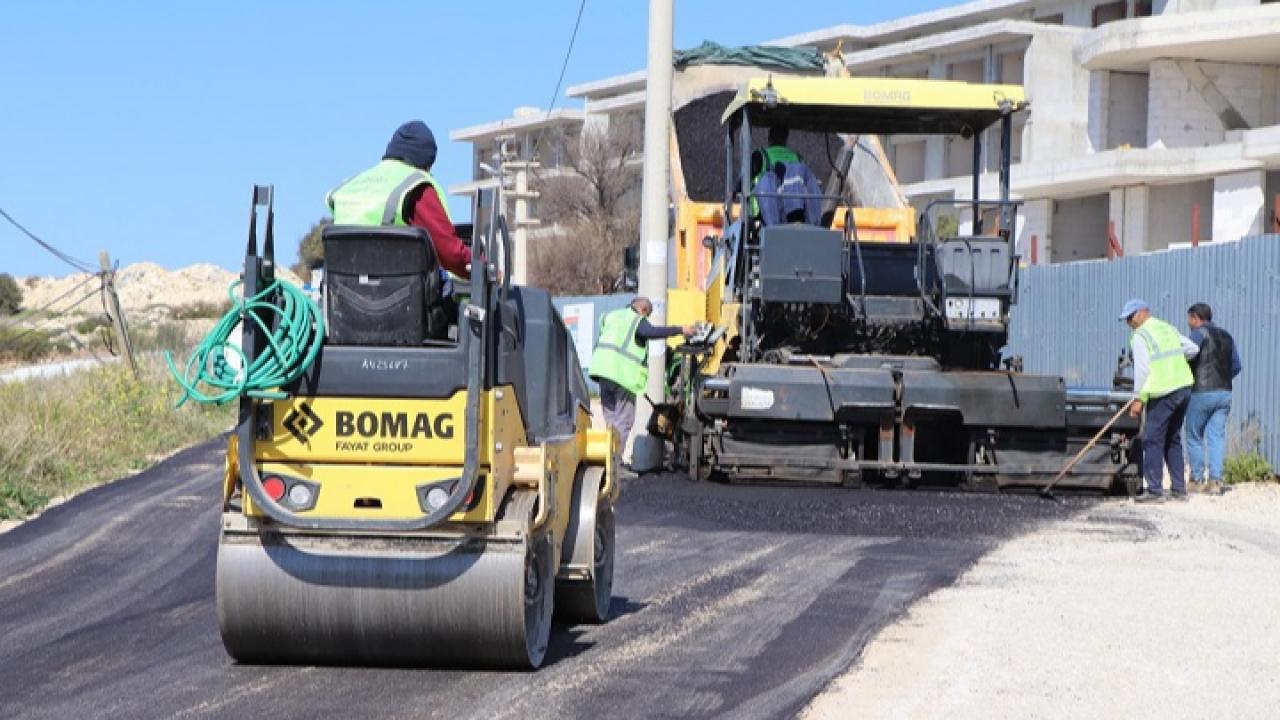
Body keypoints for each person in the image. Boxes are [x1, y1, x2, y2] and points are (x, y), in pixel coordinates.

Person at [327, 120, 472, 279]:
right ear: (426, 162)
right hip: (398, 297)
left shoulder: (352, 185)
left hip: (344, 295)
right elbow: (451, 254)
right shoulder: (415, 186)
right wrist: (482, 268)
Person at [588, 297, 696, 457]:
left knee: (611, 422)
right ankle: (614, 463)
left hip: (602, 372)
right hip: (621, 376)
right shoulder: (637, 320)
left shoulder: (612, 316)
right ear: (644, 310)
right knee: (624, 421)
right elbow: (651, 332)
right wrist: (680, 330)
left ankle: (605, 461)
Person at [1119, 299, 1199, 502]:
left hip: (1163, 391)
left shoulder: (1140, 335)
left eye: (1130, 318)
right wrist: (1174, 363)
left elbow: (1143, 370)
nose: (1129, 323)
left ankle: (1154, 490)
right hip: (1183, 387)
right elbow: (1192, 349)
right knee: (1173, 438)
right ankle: (1178, 490)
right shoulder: (1167, 327)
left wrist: (1138, 399)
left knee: (1153, 438)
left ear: (1141, 313)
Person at [1184, 302, 1242, 496]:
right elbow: (1236, 366)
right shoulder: (1227, 336)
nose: (1189, 323)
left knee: (1193, 434)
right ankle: (1216, 481)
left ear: (1196, 318)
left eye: (1189, 319)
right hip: (1225, 392)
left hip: (1202, 391)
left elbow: (1189, 357)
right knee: (1216, 436)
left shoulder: (1198, 334)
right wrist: (1222, 379)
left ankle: (1197, 479)